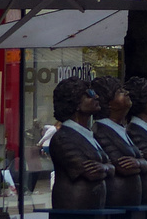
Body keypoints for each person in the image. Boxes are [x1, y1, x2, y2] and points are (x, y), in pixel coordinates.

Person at [47, 76, 114, 210]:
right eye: (89, 94)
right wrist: (108, 168)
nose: (96, 97)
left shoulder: (89, 134)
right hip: (74, 209)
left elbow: (109, 167)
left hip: (93, 210)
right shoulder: (63, 138)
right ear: (75, 103)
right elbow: (91, 172)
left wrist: (106, 167)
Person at [89, 76, 147, 207]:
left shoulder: (124, 130)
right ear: (108, 102)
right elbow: (123, 167)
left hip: (129, 204)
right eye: (119, 92)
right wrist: (141, 163)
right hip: (115, 202)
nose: (126, 93)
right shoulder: (100, 132)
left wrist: (139, 162)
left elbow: (143, 162)